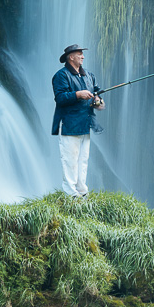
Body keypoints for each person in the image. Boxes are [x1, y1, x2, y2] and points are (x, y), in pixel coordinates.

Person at [51, 44, 105, 197]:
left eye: (82, 54)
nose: (83, 56)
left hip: (85, 123)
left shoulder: (88, 75)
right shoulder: (61, 76)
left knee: (83, 160)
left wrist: (98, 101)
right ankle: (70, 193)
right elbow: (60, 98)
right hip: (68, 124)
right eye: (80, 54)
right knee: (70, 159)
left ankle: (82, 191)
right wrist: (78, 94)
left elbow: (97, 93)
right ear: (71, 57)